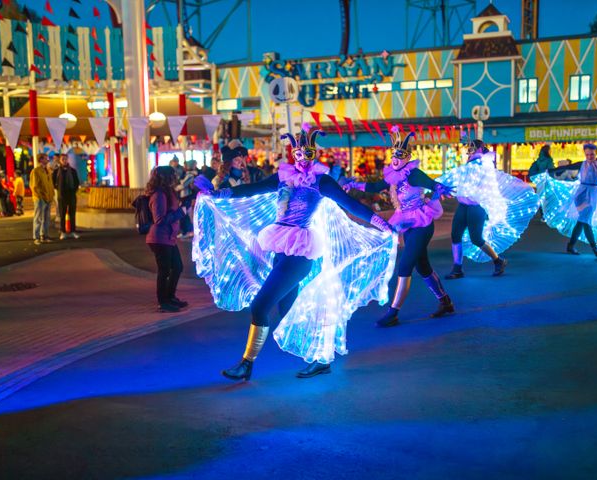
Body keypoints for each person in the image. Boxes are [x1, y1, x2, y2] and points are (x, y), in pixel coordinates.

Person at [193, 125, 396, 380]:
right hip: (281, 249)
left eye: (306, 153)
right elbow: (253, 189)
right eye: (297, 153)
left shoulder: (321, 181)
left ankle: (246, 364)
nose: (301, 158)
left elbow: (352, 205)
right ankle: (320, 359)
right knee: (289, 313)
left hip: (299, 255)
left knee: (259, 306)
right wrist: (220, 194)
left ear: (314, 154)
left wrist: (381, 223)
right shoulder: (285, 176)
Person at [343, 127, 454, 326]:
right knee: (423, 266)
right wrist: (353, 185)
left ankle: (393, 312)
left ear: (408, 157)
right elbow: (375, 187)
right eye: (393, 154)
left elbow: (432, 184)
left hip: (422, 223)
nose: (395, 158)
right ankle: (445, 302)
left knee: (405, 265)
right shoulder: (393, 175)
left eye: (400, 155)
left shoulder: (413, 174)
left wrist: (439, 190)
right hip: (407, 224)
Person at [438, 139, 539, 279]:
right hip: (463, 205)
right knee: (455, 235)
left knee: (476, 238)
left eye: (473, 148)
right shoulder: (468, 165)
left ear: (480, 149)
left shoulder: (483, 165)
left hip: (477, 206)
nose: (470, 150)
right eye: (469, 148)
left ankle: (498, 261)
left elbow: (480, 186)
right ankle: (457, 268)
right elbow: (459, 179)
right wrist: (443, 189)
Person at [145, 166, 187, 313]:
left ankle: (170, 297)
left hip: (168, 238)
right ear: (166, 177)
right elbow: (159, 219)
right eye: (173, 175)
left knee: (177, 267)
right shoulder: (159, 195)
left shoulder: (168, 192)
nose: (175, 177)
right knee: (165, 270)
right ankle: (163, 302)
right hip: (159, 238)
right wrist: (180, 213)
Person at [52, 154, 80, 240]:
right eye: (62, 159)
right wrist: (59, 190)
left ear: (68, 160)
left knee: (72, 214)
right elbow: (54, 183)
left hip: (71, 195)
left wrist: (73, 190)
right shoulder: (56, 171)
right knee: (62, 214)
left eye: (66, 159)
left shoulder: (72, 171)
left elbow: (77, 182)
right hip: (62, 196)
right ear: (60, 160)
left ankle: (73, 231)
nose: (64, 160)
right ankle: (63, 232)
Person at [30, 154, 54, 245]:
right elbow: (34, 186)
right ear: (41, 160)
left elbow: (50, 184)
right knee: (38, 217)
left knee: (46, 218)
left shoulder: (47, 171)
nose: (48, 159)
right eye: (46, 158)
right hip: (40, 198)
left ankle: (44, 235)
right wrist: (40, 196)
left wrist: (51, 195)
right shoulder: (36, 171)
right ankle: (36, 237)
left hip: (48, 197)